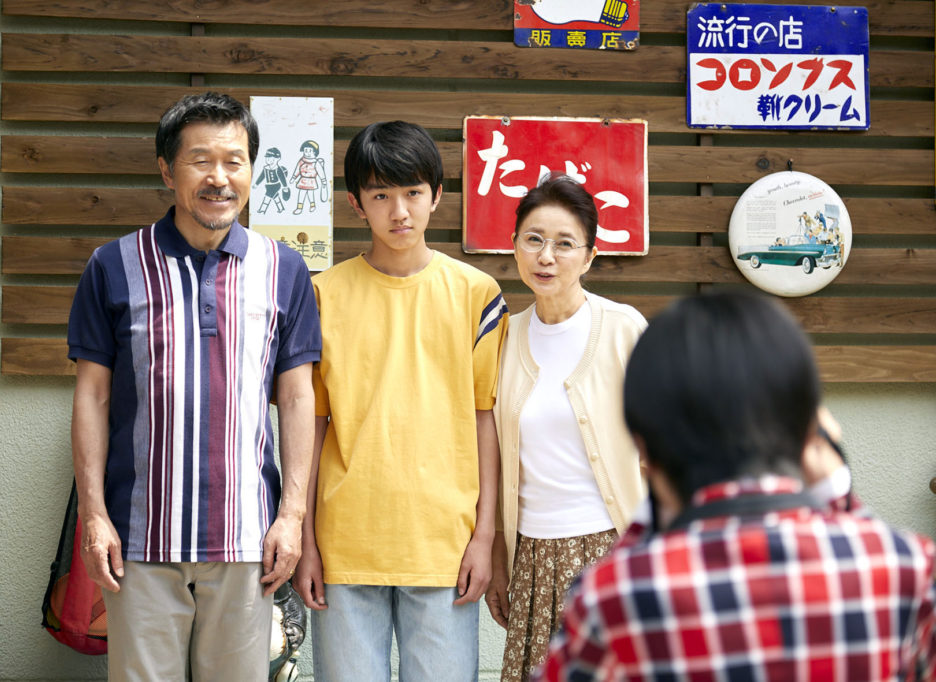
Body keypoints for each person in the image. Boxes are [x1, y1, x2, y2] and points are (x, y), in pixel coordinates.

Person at [535, 292, 936, 681]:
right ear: (812, 429)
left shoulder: (615, 597)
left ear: (646, 451)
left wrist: (643, 525)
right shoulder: (910, 569)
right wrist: (839, 488)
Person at [67, 92, 321, 681]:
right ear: (167, 170)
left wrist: (291, 515)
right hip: (138, 537)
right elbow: (92, 397)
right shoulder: (112, 265)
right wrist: (94, 515)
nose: (219, 178)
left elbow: (297, 398)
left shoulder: (284, 269)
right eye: (200, 160)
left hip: (246, 537)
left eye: (234, 161)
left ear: (252, 170)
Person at [294, 120, 508, 682]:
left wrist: (485, 537)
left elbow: (485, 419)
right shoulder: (322, 294)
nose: (400, 212)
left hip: (444, 544)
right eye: (381, 195)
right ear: (355, 203)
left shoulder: (478, 295)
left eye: (413, 192)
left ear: (436, 195)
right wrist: (306, 541)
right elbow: (311, 427)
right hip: (344, 542)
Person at [485, 175, 646, 681]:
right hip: (533, 555)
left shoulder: (623, 329)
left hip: (611, 550)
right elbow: (495, 456)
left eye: (564, 244)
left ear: (590, 256)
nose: (546, 257)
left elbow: (665, 447)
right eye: (533, 239)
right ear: (514, 245)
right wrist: (498, 555)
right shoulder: (504, 336)